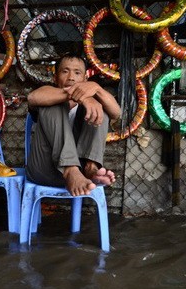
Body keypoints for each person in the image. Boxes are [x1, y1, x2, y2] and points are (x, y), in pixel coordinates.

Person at [26, 54, 120, 196]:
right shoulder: (47, 93)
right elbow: (32, 97)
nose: (71, 77)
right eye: (65, 71)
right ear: (55, 78)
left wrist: (96, 89)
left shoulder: (90, 99)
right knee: (53, 105)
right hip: (44, 170)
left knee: (100, 109)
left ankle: (91, 168)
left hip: (82, 175)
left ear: (84, 80)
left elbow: (116, 113)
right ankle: (70, 169)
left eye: (77, 73)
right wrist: (82, 97)